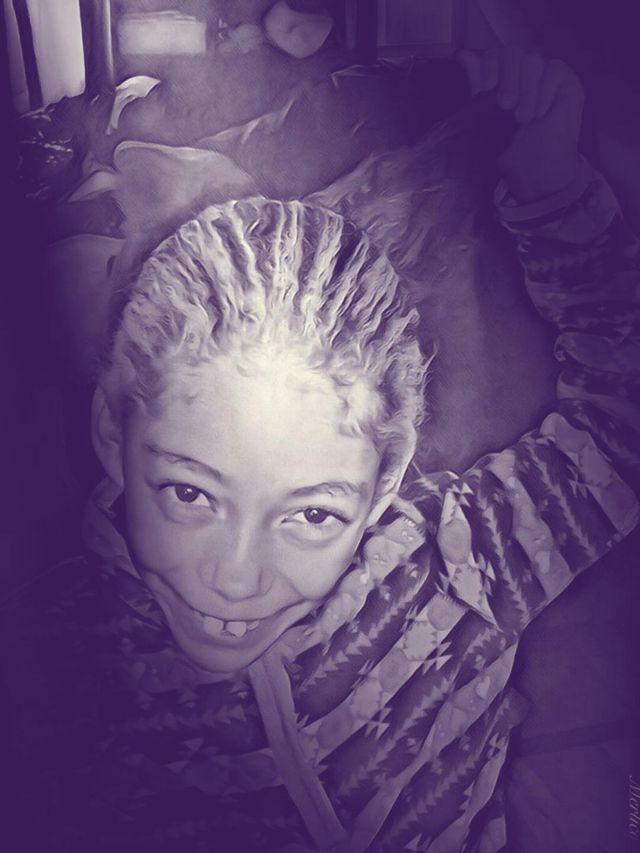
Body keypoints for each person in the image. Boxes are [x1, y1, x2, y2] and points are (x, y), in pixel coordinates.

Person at [2, 48, 639, 853]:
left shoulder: (456, 562)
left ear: (386, 477)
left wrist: (551, 187)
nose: (235, 579)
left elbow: (620, 429)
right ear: (111, 432)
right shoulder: (51, 660)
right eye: (190, 493)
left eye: (310, 514)